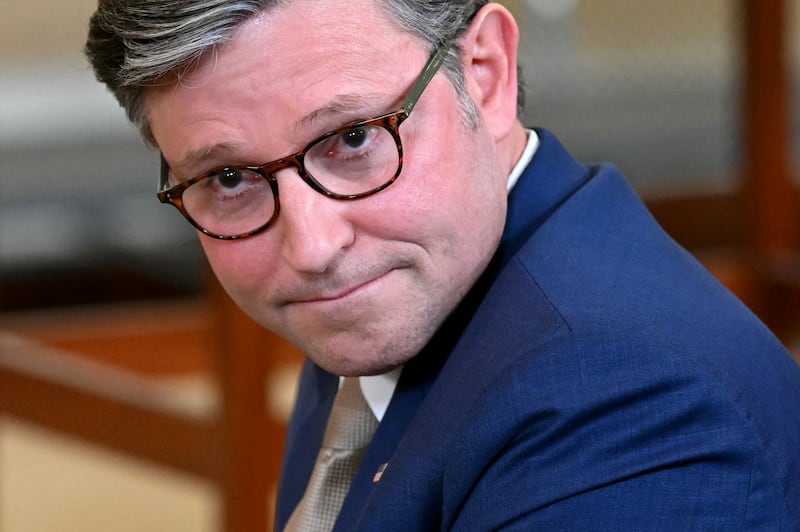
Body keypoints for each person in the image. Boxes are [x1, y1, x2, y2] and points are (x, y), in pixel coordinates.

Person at [85, 0, 800, 529]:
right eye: (231, 180)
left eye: (354, 137)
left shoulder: (626, 405)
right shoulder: (403, 296)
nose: (311, 249)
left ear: (484, 74)